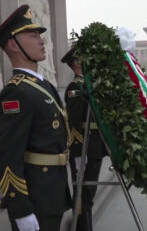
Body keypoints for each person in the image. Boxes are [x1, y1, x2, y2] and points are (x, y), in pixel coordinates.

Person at [0, 5, 71, 231]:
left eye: (39, 35)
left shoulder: (41, 85)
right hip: (36, 198)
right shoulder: (16, 92)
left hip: (51, 191)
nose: (41, 40)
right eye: (33, 35)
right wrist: (21, 211)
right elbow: (6, 158)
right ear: (13, 44)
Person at [62, 47, 107, 231]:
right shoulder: (76, 87)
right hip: (85, 148)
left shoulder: (87, 85)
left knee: (88, 193)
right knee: (82, 195)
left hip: (94, 147)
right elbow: (73, 124)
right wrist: (80, 153)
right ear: (76, 63)